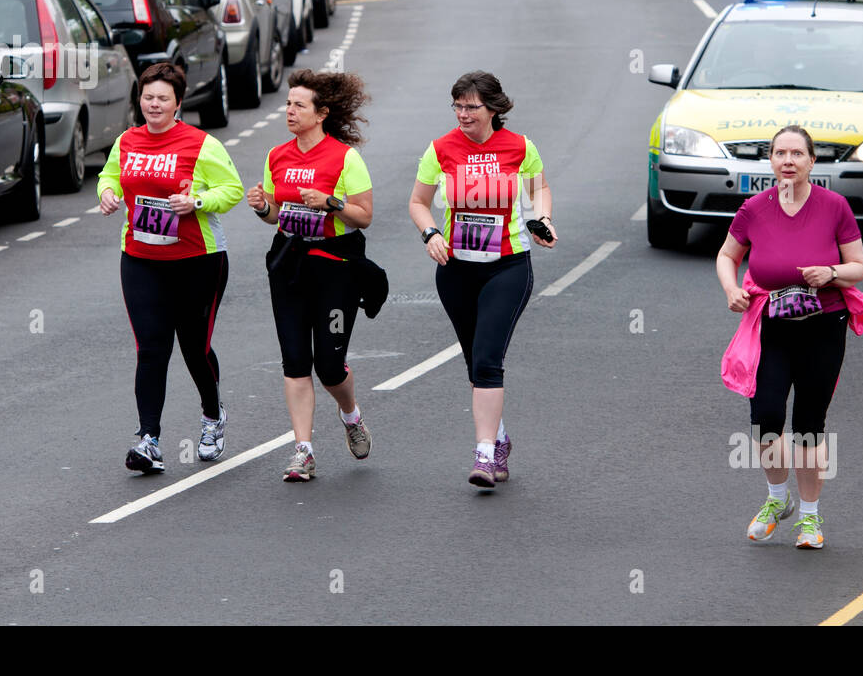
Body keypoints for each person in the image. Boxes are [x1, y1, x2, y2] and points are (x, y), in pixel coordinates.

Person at [715, 126, 863, 550]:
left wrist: (831, 272)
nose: (788, 160)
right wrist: (731, 289)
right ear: (771, 160)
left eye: (797, 153)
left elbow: (858, 266)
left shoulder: (834, 207)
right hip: (772, 326)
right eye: (780, 153)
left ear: (811, 161)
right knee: (765, 419)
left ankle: (809, 517)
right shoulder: (754, 209)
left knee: (808, 425)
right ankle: (776, 498)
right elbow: (728, 254)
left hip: (824, 325)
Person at [408, 72, 557, 489]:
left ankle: (485, 454)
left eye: (471, 107)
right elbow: (418, 202)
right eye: (457, 105)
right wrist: (430, 234)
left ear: (494, 108)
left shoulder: (520, 147)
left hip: (507, 267)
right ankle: (500, 438)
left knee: (489, 358)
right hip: (456, 270)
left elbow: (539, 189)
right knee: (475, 362)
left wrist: (543, 219)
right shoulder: (440, 149)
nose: (463, 114)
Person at [97, 63, 244, 473]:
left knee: (194, 347)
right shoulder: (127, 141)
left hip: (198, 260)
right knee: (151, 347)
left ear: (178, 103)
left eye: (163, 98)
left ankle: (212, 415)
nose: (154, 105)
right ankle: (149, 439)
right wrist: (107, 193)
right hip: (141, 259)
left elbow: (231, 189)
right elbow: (109, 176)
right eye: (148, 97)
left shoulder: (201, 144)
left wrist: (196, 202)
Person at [247, 70, 379, 482]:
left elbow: (364, 216)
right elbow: (275, 215)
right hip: (290, 263)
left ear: (321, 114)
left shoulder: (344, 158)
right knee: (295, 360)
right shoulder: (277, 156)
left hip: (335, 267)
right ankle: (303, 451)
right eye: (288, 104)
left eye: (299, 105)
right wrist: (261, 206)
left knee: (329, 365)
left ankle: (350, 414)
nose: (289, 111)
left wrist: (330, 202)